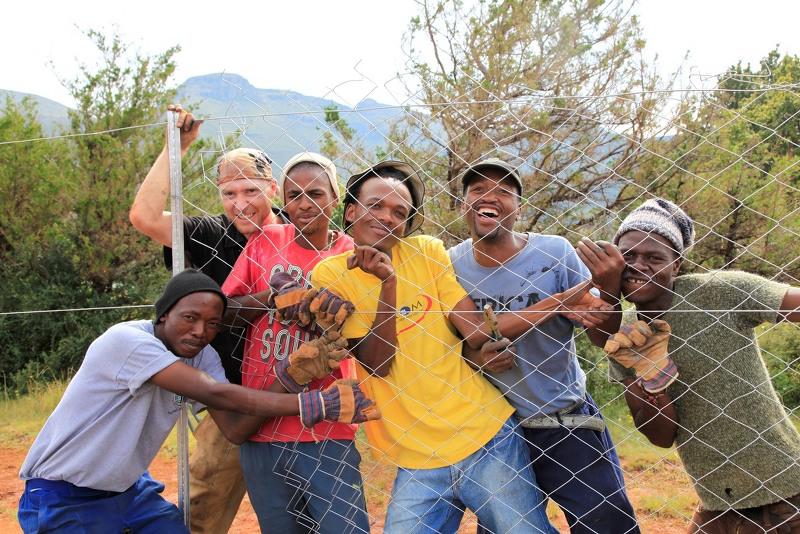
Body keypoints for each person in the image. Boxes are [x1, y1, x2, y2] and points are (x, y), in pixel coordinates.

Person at [309, 160, 609, 533]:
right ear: (351, 210)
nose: (387, 217)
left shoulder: (426, 252)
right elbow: (377, 363)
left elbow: (477, 331)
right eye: (376, 206)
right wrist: (388, 284)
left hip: (484, 434)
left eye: (399, 212)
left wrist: (558, 300)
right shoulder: (330, 274)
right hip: (417, 454)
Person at [17, 269, 377, 534]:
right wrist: (313, 404)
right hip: (64, 494)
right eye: (189, 318)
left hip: (129, 492)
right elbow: (216, 393)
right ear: (163, 314)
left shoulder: (202, 356)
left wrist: (290, 377)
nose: (200, 332)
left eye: (212, 324)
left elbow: (235, 429)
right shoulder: (127, 341)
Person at [583, 198, 800, 533]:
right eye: (629, 255)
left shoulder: (721, 292)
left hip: (786, 489)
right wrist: (652, 379)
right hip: (718, 500)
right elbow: (660, 436)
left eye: (654, 257)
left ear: (677, 265)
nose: (638, 264)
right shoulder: (624, 337)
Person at [447, 157, 639, 533]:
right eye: (478, 190)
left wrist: (610, 293)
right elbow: (447, 344)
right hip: (496, 429)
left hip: (565, 417)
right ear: (463, 205)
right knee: (506, 528)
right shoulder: (449, 264)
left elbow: (602, 332)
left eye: (504, 191)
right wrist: (477, 357)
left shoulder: (555, 252)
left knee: (606, 523)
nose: (490, 197)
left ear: (520, 209)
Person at [129, 105, 285, 533]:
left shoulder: (296, 232)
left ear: (273, 187)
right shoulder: (212, 234)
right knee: (202, 510)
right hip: (231, 397)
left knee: (302, 513)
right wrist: (175, 148)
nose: (241, 203)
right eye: (229, 192)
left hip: (294, 388)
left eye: (251, 190)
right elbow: (143, 217)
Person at [220, 152, 371, 533]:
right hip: (262, 420)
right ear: (282, 200)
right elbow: (224, 311)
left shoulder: (351, 255)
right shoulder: (265, 241)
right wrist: (271, 299)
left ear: (335, 199)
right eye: (294, 195)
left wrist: (325, 312)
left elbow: (367, 336)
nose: (303, 204)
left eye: (315, 194)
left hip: (326, 423)